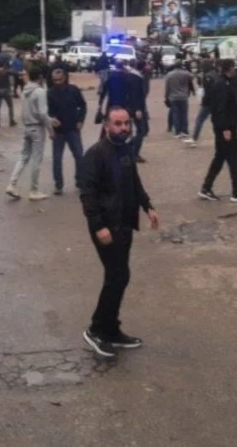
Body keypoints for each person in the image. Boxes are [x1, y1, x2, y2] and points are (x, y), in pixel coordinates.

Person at [78, 106, 159, 360]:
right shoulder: (96, 154)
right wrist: (97, 226)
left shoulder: (125, 149)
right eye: (117, 123)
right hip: (106, 227)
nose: (124, 127)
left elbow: (135, 182)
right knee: (117, 276)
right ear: (106, 125)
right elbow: (87, 193)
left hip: (124, 224)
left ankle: (111, 329)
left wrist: (148, 206)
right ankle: (96, 329)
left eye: (126, 123)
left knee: (119, 277)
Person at [199, 59, 237, 203]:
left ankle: (206, 187)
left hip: (222, 127)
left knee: (220, 158)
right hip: (226, 128)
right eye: (234, 68)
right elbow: (221, 108)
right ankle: (236, 191)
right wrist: (226, 128)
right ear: (229, 69)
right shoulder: (223, 86)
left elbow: (207, 101)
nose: (235, 70)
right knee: (235, 159)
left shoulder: (222, 83)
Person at [6, 65, 54, 201]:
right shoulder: (40, 91)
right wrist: (50, 129)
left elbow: (33, 111)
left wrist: (50, 120)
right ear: (40, 77)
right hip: (37, 128)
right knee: (36, 160)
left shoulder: (25, 90)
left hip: (27, 127)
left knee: (23, 157)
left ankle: (12, 184)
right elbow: (42, 113)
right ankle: (34, 190)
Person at [48, 67, 87, 195]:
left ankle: (80, 182)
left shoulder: (74, 90)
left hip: (73, 129)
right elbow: (47, 112)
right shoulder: (50, 92)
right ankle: (58, 184)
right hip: (58, 131)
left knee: (79, 156)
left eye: (59, 80)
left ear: (64, 78)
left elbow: (82, 105)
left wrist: (80, 120)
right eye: (54, 80)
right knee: (57, 159)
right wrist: (51, 122)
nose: (57, 82)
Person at [163, 62, 194, 140]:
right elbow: (192, 77)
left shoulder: (169, 75)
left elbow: (167, 87)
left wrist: (166, 97)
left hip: (173, 97)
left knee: (175, 114)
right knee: (184, 114)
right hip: (184, 97)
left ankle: (177, 132)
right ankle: (185, 131)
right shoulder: (186, 74)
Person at [0, 62, 16, 129]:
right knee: (10, 106)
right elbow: (14, 73)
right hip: (6, 90)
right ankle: (11, 121)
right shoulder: (6, 71)